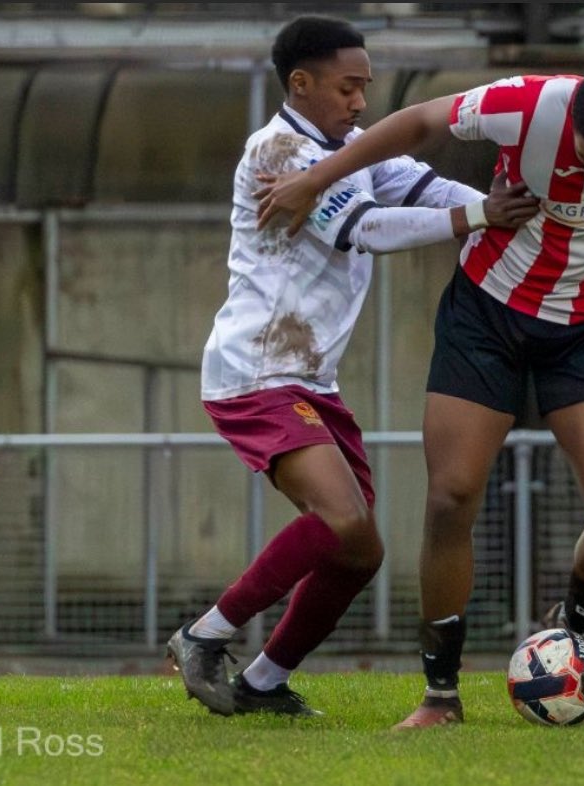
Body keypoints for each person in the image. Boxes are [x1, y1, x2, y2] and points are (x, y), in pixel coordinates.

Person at [255, 61, 584, 728]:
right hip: (486, 315)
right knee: (451, 497)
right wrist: (316, 177)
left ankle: (568, 646)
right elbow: (418, 120)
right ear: (571, 122)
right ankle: (440, 696)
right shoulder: (528, 105)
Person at [165, 14, 538, 718]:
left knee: (359, 550)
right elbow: (364, 229)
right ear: (301, 83)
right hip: (257, 371)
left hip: (309, 378)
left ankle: (263, 683)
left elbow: (425, 188)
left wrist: (515, 213)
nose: (360, 101)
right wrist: (480, 217)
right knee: (339, 519)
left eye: (365, 86)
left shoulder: (351, 148)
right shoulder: (279, 149)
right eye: (347, 87)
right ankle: (203, 635)